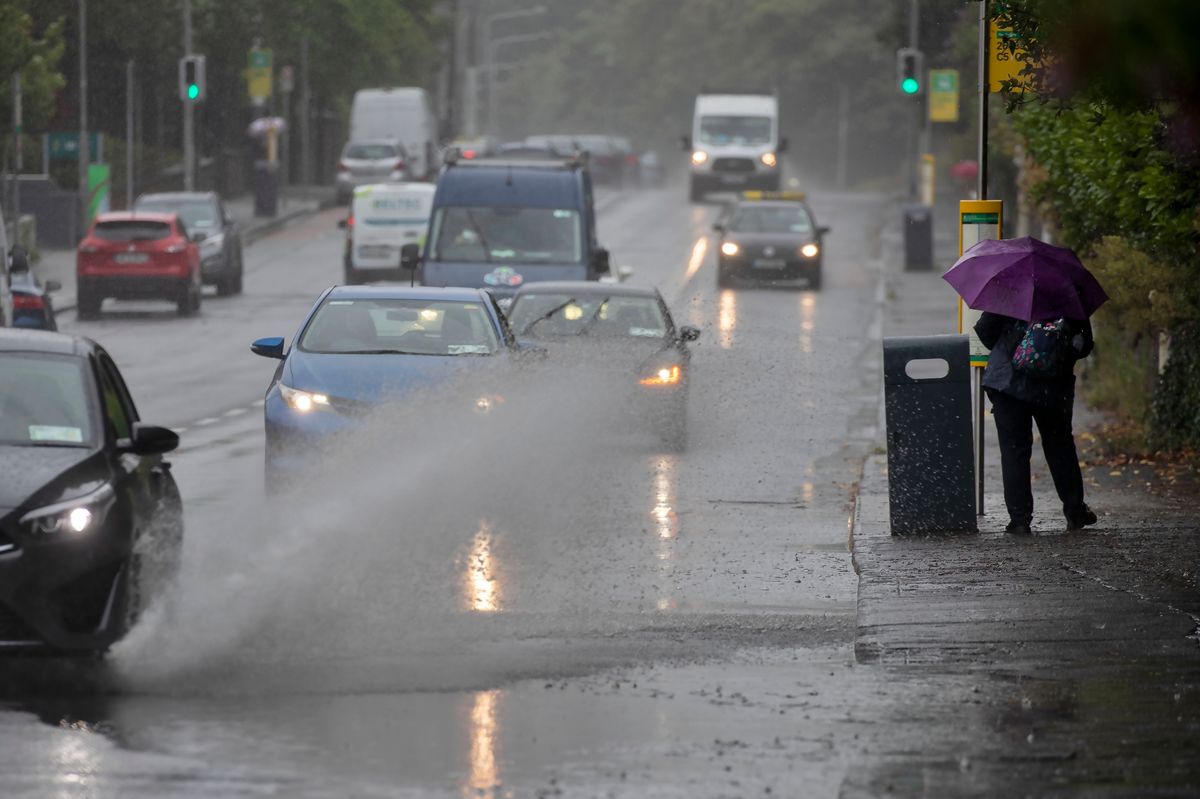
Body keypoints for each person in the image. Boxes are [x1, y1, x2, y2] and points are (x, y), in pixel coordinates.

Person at [975, 311, 1098, 535]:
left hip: (1007, 383)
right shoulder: (1067, 295)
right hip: (1052, 386)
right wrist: (1054, 356)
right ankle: (1075, 512)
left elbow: (984, 329)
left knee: (1014, 450)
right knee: (1060, 446)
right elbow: (1084, 344)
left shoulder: (1011, 288)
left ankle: (1019, 519)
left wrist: (1013, 349)